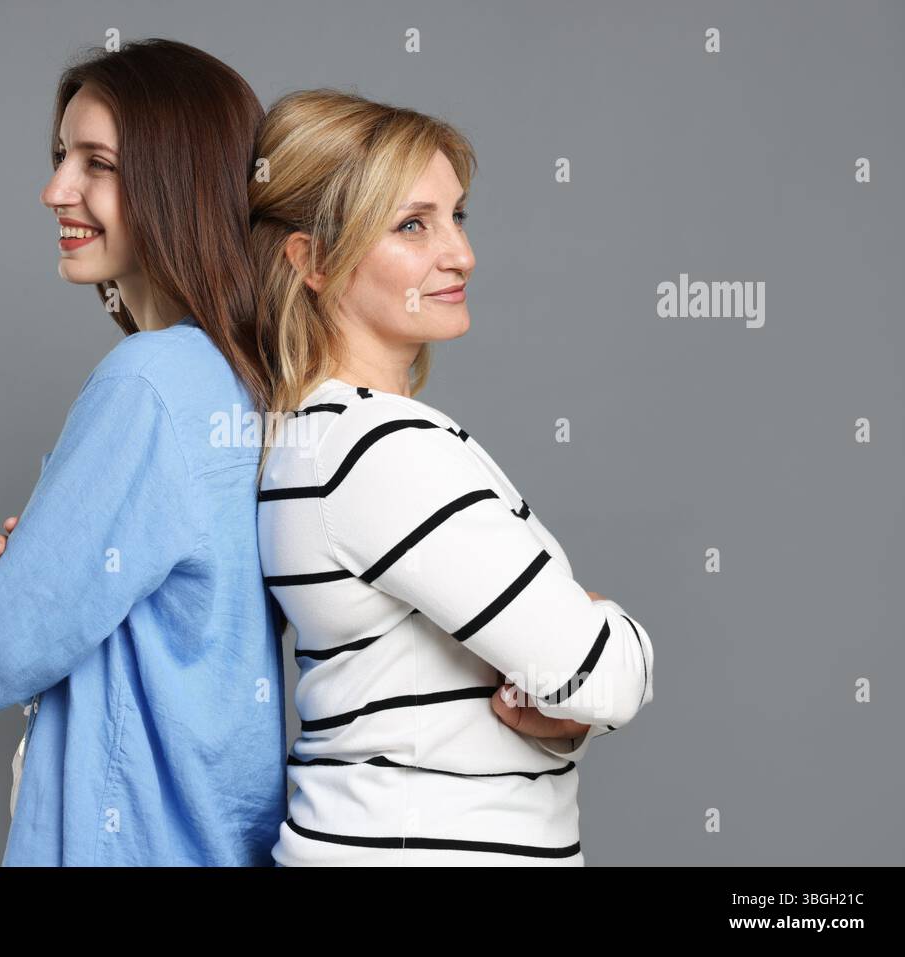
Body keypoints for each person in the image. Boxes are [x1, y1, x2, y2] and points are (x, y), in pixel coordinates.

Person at [248, 89, 656, 865]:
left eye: (456, 216)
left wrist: (567, 678)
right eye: (412, 224)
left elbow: (559, 684)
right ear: (313, 260)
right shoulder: (382, 449)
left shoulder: (312, 435)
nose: (460, 254)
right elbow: (598, 675)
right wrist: (607, 633)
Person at [0, 39, 286, 866]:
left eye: (98, 163)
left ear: (177, 176)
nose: (56, 191)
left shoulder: (150, 383)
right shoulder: (247, 379)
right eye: (60, 158)